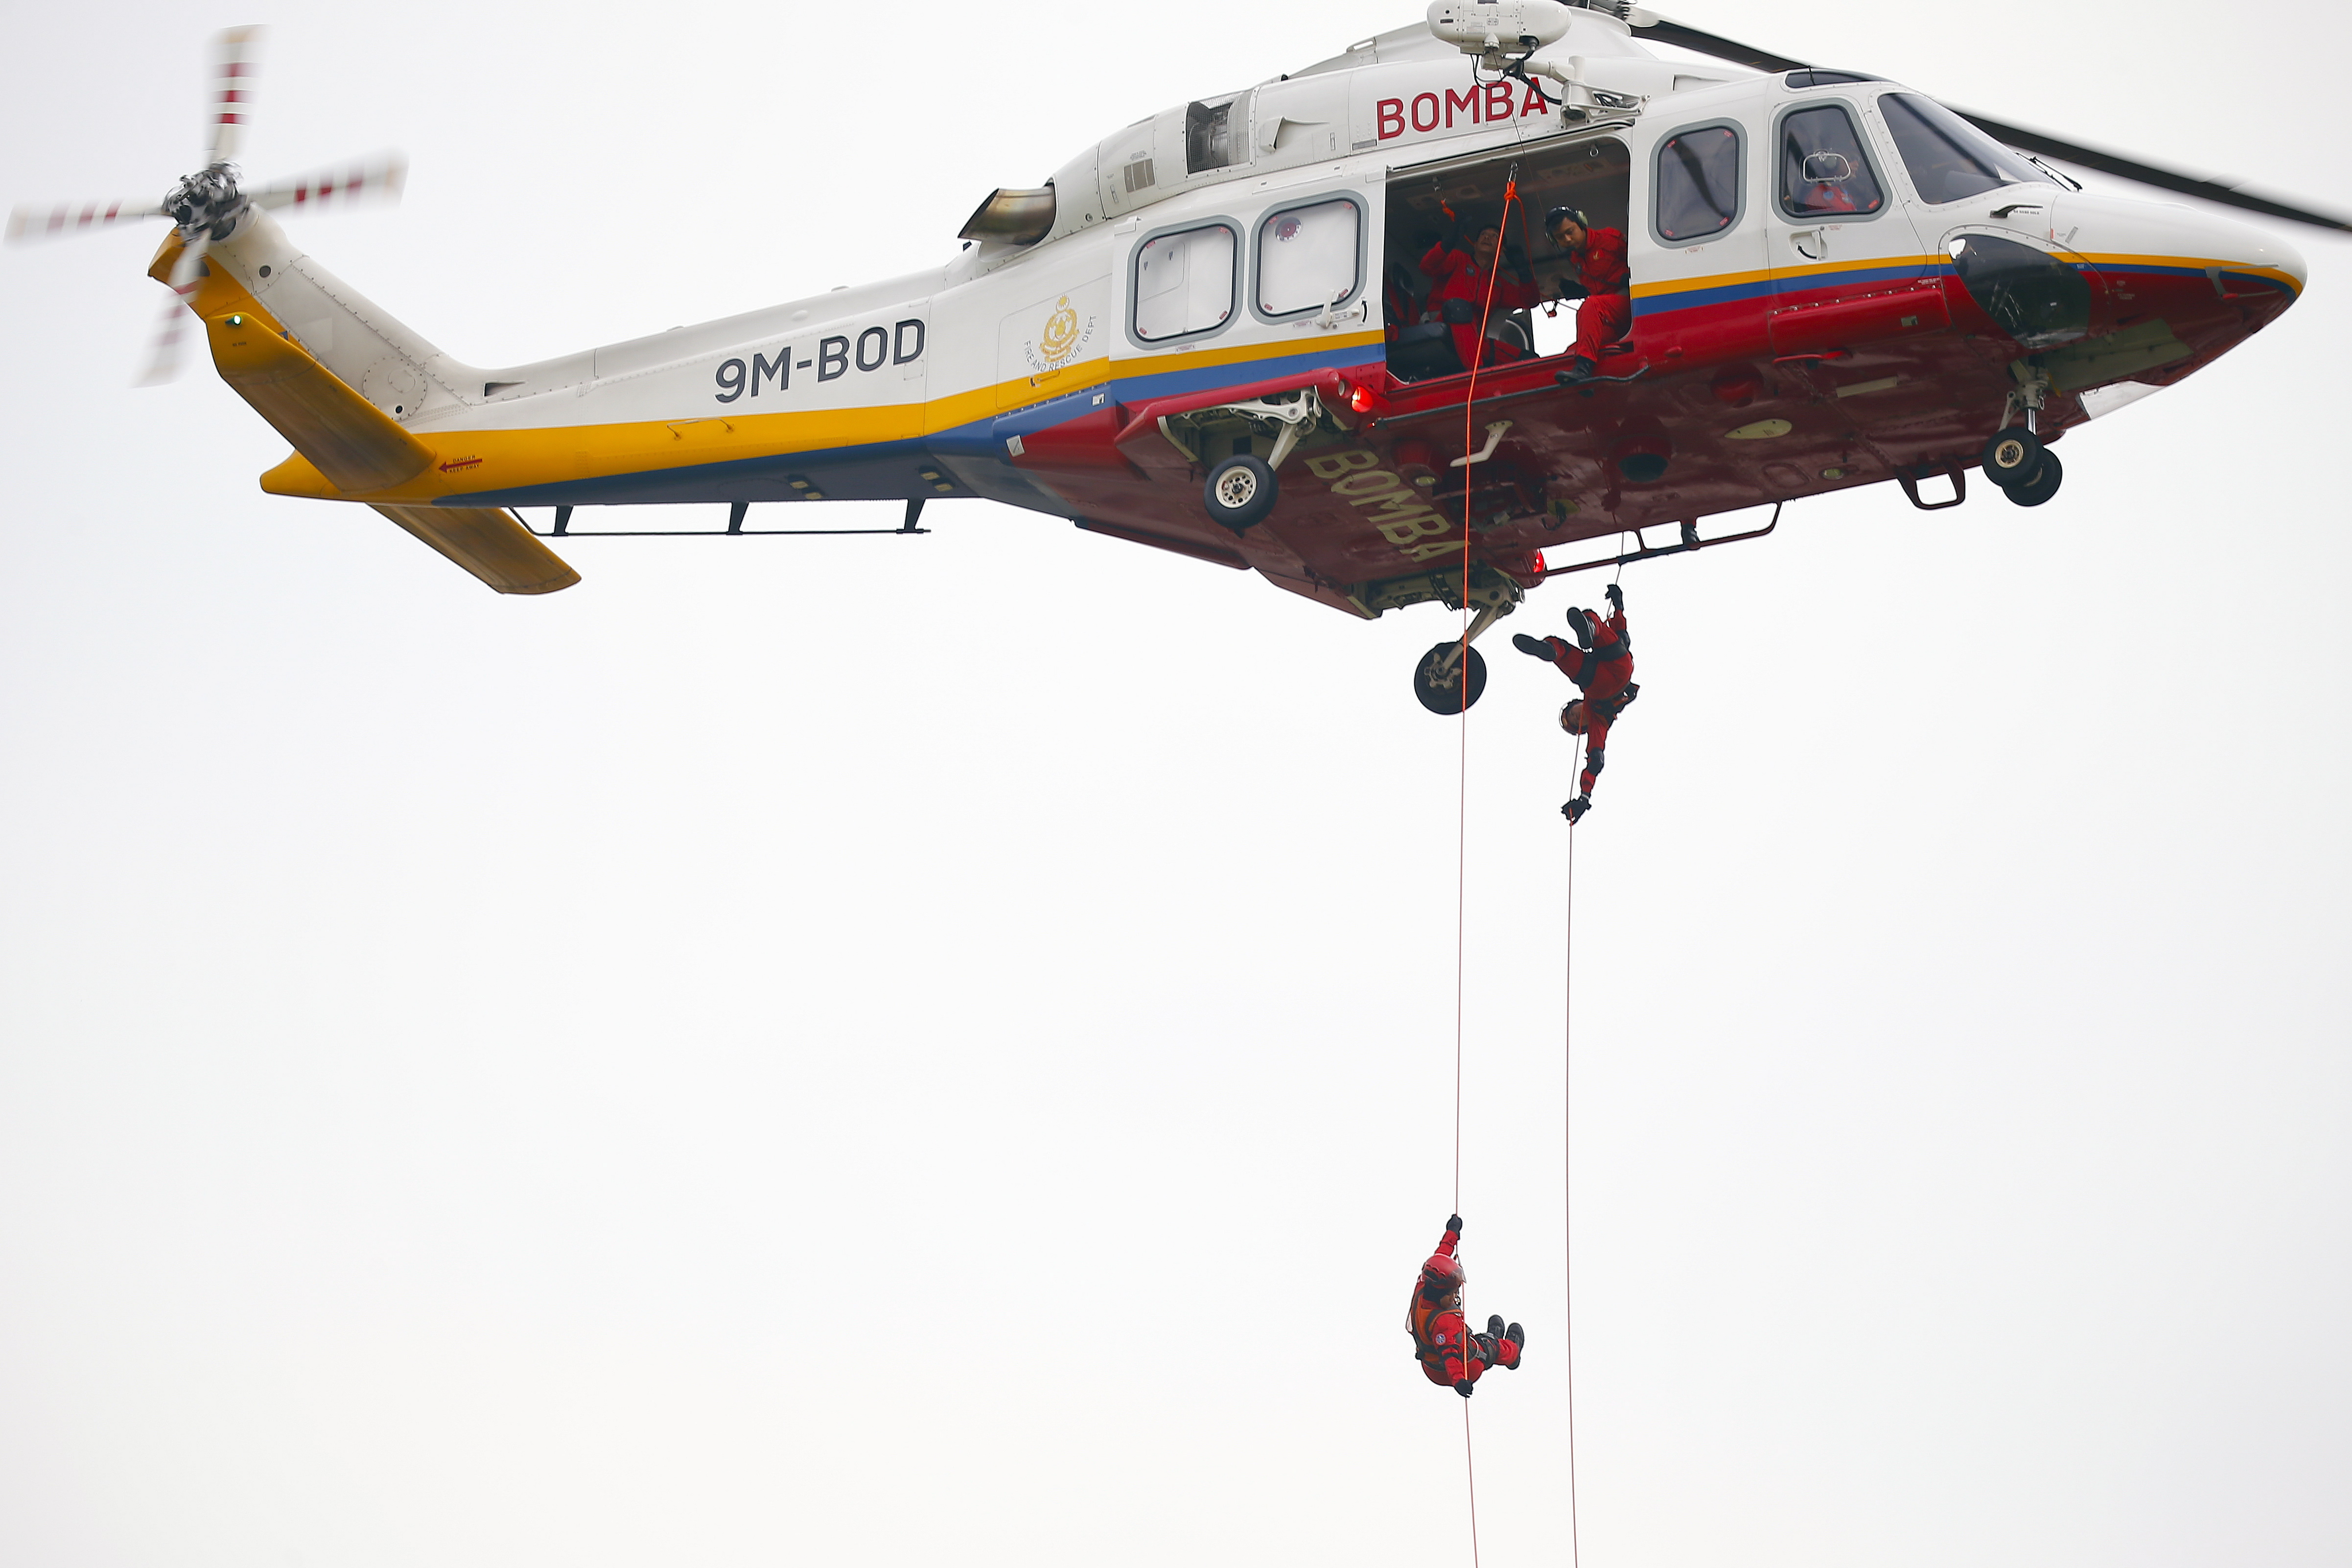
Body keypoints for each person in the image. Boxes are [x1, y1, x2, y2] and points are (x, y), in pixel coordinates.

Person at [1512, 582, 1639, 824]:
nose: (1576, 716)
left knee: (1564, 648)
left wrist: (1619, 605)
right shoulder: (1600, 721)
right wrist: (1584, 797)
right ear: (1583, 727)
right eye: (1574, 721)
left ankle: (1554, 647)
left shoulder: (1593, 703)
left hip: (1600, 674)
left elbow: (1620, 634)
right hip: (1618, 671)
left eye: (1571, 714)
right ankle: (1588, 630)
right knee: (1609, 636)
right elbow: (1596, 759)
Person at [1409, 1214, 1526, 1397]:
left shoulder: (1423, 1287)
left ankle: (1488, 1339)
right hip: (1454, 1371)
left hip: (1430, 1366)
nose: (1456, 1296)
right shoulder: (1445, 1322)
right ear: (1441, 1294)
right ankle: (1512, 1352)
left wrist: (1452, 1233)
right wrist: (1459, 1381)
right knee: (1490, 1348)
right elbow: (1449, 1354)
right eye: (1453, 1293)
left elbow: (1440, 1256)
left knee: (1468, 1340)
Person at [1420, 218, 1539, 374]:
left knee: (1529, 361)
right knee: (1459, 307)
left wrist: (1523, 270)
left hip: (1473, 339)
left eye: (1495, 236)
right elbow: (1427, 267)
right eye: (1484, 235)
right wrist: (1448, 243)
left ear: (1502, 251)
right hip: (1443, 326)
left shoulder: (1497, 284)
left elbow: (1530, 301)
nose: (1488, 238)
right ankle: (1478, 374)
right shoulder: (1457, 259)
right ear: (1475, 245)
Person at [1544, 206, 1632, 385]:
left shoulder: (1609, 238)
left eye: (1570, 232)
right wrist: (1579, 291)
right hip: (1611, 317)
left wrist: (1631, 275)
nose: (1567, 239)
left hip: (1631, 305)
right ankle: (1585, 385)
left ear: (1582, 224)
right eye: (1560, 237)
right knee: (1573, 351)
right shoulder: (1576, 259)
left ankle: (1584, 371)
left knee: (1592, 305)